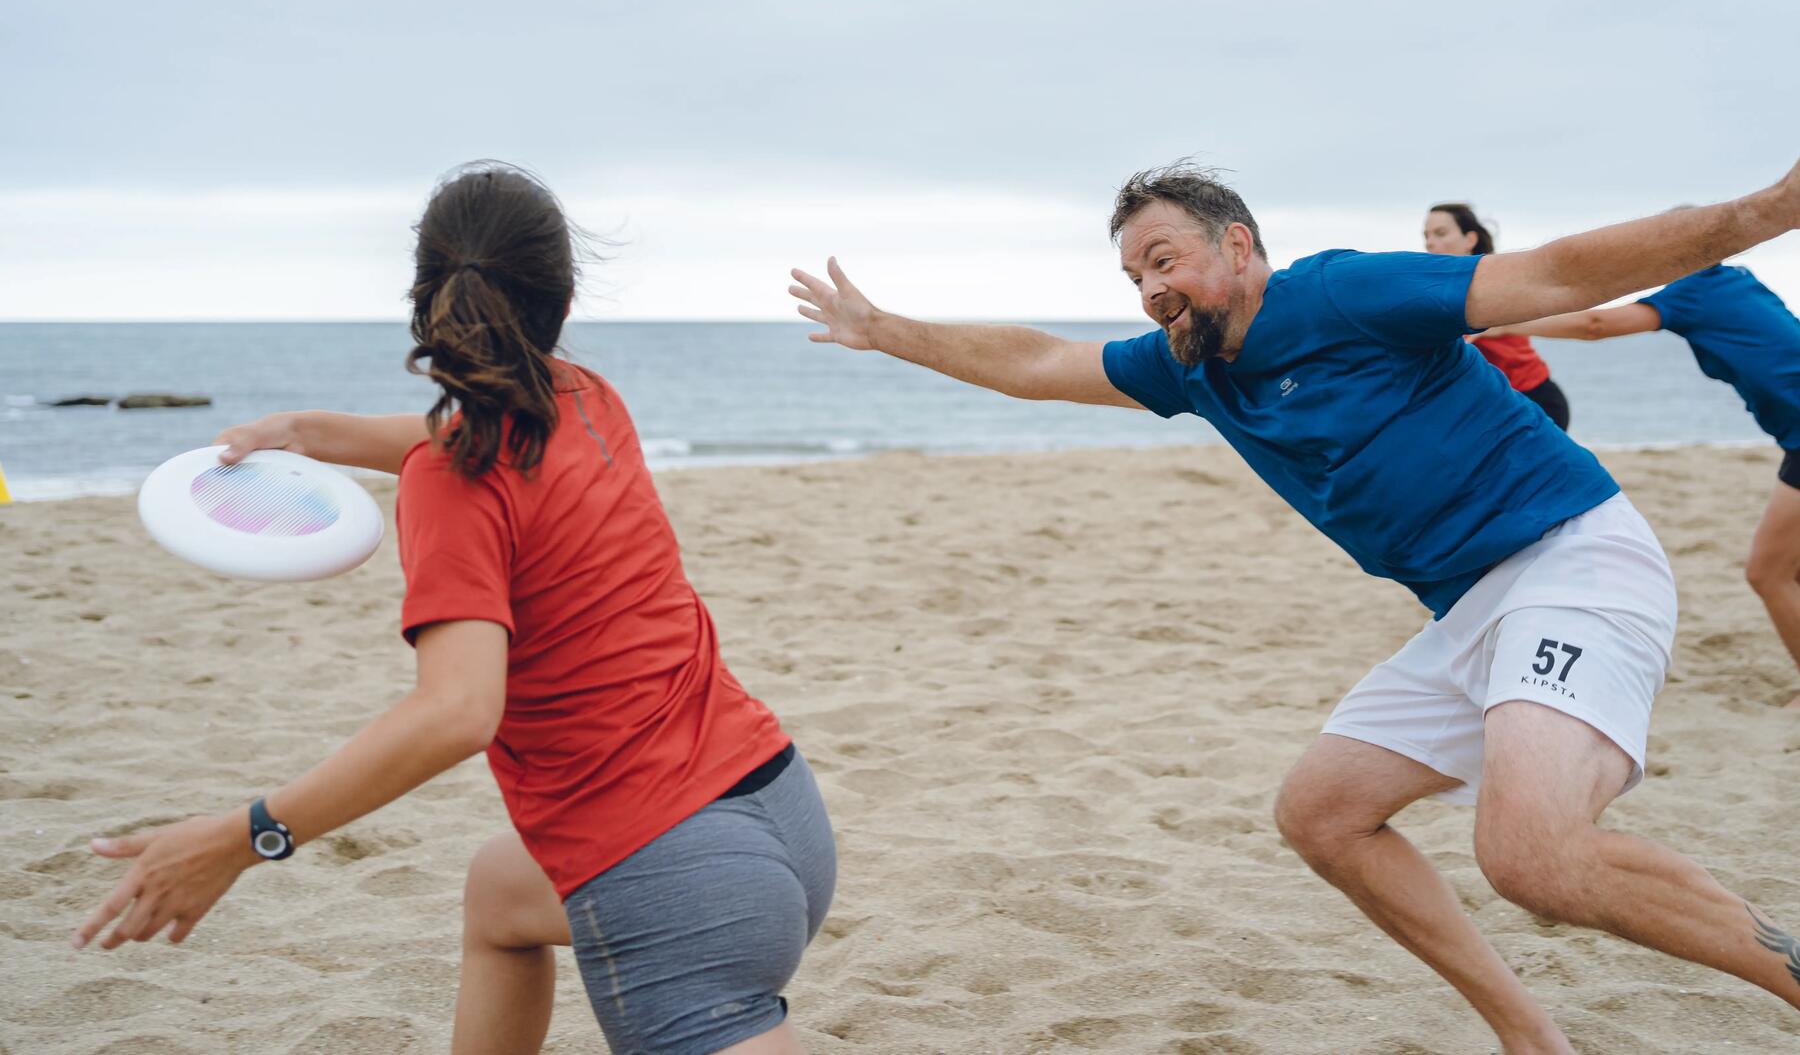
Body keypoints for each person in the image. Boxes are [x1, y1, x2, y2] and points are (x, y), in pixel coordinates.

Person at [790, 158, 1800, 1054]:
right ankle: (1529, 1032)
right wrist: (886, 332)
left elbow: (1555, 273)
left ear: (1237, 245)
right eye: (1135, 276)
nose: (1152, 290)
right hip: (1470, 603)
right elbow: (1039, 364)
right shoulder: (1194, 367)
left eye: (1164, 258)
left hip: (1571, 559)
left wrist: (1769, 207)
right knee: (1323, 815)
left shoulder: (1343, 293)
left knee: (1532, 856)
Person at [76, 163, 836, 1055]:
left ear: (425, 296)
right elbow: (461, 436)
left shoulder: (453, 480)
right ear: (562, 292)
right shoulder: (589, 400)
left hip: (672, 874)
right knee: (501, 893)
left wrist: (247, 837)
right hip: (782, 815)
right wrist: (312, 431)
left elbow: (457, 710)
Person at [1487, 261, 1800, 708]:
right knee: (1792, 569)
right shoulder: (1738, 281)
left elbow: (1595, 324)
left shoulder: (1695, 290)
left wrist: (1497, 325)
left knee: (1768, 574)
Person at [1423, 202, 1571, 431]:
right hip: (1493, 402)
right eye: (1426, 236)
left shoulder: (1492, 284)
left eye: (1440, 233)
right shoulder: (1442, 289)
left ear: (1470, 240)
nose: (1430, 243)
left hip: (1535, 398)